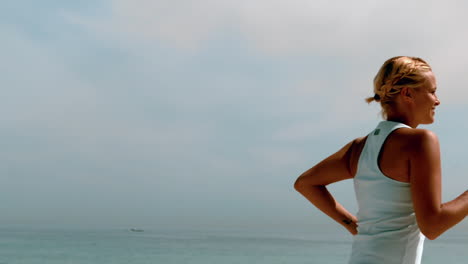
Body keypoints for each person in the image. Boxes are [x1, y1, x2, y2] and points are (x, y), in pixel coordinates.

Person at [294, 56, 468, 264]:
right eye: (432, 91)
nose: (437, 100)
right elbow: (433, 225)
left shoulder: (359, 148)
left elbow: (306, 183)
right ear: (407, 93)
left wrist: (354, 226)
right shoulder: (421, 141)